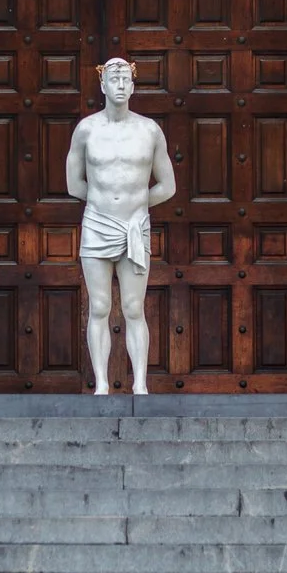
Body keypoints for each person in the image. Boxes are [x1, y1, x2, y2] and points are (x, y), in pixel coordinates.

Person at [65, 57, 176, 395]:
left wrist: (135, 206)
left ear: (134, 85)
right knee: (99, 306)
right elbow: (74, 184)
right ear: (102, 85)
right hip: (98, 225)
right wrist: (103, 206)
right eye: (113, 78)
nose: (120, 84)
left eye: (126, 78)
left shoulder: (149, 130)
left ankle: (140, 384)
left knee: (132, 308)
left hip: (134, 226)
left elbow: (167, 186)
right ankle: (101, 384)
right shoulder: (87, 129)